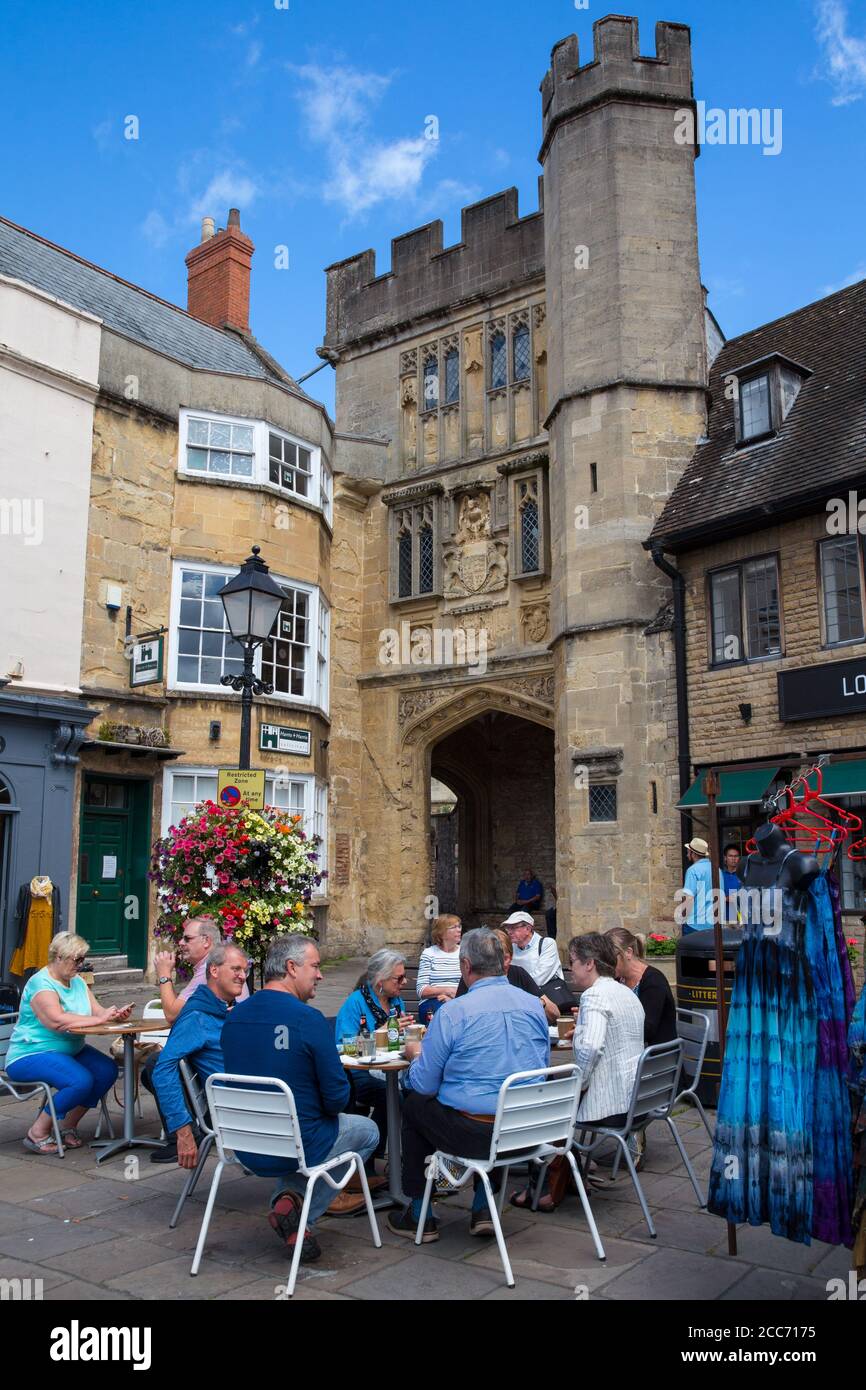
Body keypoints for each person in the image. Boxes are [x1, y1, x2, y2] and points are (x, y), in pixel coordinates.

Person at [221, 935, 379, 1266]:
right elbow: (338, 1099)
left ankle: (290, 1203)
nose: (320, 975)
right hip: (296, 1144)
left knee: (302, 1136)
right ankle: (297, 1213)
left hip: (244, 1144)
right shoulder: (308, 1020)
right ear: (292, 968)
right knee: (367, 1131)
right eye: (316, 966)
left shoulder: (233, 1017)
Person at [387, 927, 549, 1243]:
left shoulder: (454, 1012)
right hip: (528, 1131)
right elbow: (538, 1068)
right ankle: (483, 1206)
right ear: (504, 962)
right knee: (503, 1101)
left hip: (477, 1136)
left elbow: (423, 1082)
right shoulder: (534, 1006)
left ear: (465, 966)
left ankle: (420, 1212)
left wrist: (417, 1054)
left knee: (417, 1104)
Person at [510, 932, 646, 1210]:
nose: (570, 969)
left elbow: (592, 1049)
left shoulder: (595, 995)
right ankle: (569, 1178)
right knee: (554, 1098)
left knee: (541, 1102)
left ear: (590, 964)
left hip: (610, 1105)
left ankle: (543, 1188)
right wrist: (581, 1033)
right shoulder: (624, 992)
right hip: (636, 1100)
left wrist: (579, 1083)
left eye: (573, 962)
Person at [4, 932, 126, 1154]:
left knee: (107, 1070)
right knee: (79, 1080)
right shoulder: (41, 984)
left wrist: (114, 1014)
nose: (80, 965)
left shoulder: (77, 981)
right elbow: (56, 1021)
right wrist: (98, 1019)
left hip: (70, 1050)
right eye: (76, 960)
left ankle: (68, 1124)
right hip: (31, 1053)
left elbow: (97, 1012)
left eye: (83, 960)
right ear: (58, 957)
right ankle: (37, 1132)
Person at [143, 916, 250, 1162]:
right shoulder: (199, 1015)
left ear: (207, 942)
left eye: (245, 970)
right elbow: (164, 1067)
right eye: (236, 970)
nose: (243, 977)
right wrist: (183, 1132)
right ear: (214, 971)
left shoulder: (221, 1002)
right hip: (244, 1109)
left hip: (250, 1099)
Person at [333, 949, 411, 1203]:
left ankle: (400, 1164)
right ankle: (367, 1161)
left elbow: (395, 1039)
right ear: (380, 980)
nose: (404, 983)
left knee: (414, 1095)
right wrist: (383, 1033)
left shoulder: (395, 1001)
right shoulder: (356, 1003)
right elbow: (343, 1046)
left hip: (390, 1068)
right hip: (358, 1074)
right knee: (393, 1099)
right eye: (398, 979)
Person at [152, 915, 249, 1024]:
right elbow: (180, 1008)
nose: (181, 943)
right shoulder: (214, 963)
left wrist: (164, 974)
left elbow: (172, 1015)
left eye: (187, 938)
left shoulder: (211, 968)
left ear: (206, 941)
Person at [606, 927, 677, 1046]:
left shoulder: (653, 981)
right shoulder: (619, 979)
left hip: (657, 1056)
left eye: (610, 958)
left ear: (628, 952)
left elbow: (647, 1031)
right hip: (630, 1051)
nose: (607, 964)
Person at [502, 910, 573, 1018]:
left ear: (528, 928)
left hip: (547, 1002)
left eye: (513, 928)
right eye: (508, 928)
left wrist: (514, 989)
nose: (509, 932)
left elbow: (540, 978)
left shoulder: (547, 944)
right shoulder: (511, 948)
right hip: (522, 1002)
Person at [455, 928, 541, 1000]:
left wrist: (539, 1003)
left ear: (507, 959)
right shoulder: (474, 975)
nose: (491, 961)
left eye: (496, 956)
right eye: (489, 956)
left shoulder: (519, 973)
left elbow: (552, 1011)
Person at [416, 915, 463, 1024]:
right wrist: (448, 991)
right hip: (433, 1002)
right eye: (454, 927)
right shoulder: (429, 953)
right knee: (442, 1014)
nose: (459, 929)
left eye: (459, 926)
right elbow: (421, 990)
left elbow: (470, 984)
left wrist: (453, 999)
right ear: (441, 933)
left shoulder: (464, 953)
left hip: (459, 1000)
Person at [682, 837, 713, 935]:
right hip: (714, 924)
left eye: (688, 852)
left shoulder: (693, 870)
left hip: (695, 924)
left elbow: (689, 898)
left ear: (693, 854)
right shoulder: (717, 870)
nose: (687, 855)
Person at [721, 844, 742, 923]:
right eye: (730, 856)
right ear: (725, 858)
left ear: (739, 858)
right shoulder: (720, 875)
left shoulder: (744, 875)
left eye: (736, 856)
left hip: (740, 918)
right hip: (723, 917)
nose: (733, 859)